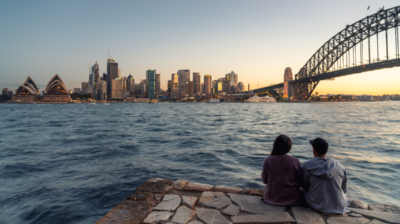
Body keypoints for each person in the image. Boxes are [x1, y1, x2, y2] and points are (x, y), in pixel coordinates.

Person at [302, 137, 348, 214]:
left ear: (314, 150)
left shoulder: (307, 165)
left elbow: (305, 186)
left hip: (316, 205)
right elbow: (344, 189)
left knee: (301, 190)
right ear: (326, 151)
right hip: (338, 207)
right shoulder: (339, 166)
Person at [261, 135, 303, 206]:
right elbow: (301, 182)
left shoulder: (268, 160)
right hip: (293, 199)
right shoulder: (295, 161)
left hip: (272, 198)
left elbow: (265, 180)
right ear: (288, 147)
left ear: (275, 145)